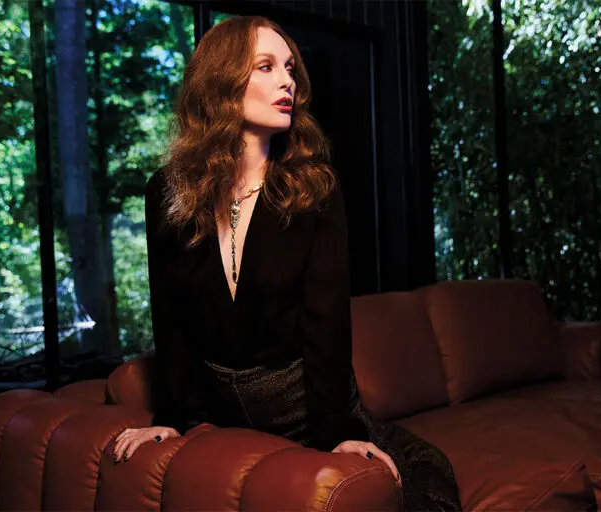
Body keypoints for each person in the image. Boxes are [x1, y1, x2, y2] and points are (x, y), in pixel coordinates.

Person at [112, 15, 461, 511]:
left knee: (425, 472)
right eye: (266, 66)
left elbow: (327, 324)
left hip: (305, 405)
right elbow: (169, 317)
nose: (287, 82)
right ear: (223, 80)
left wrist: (338, 433)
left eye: (291, 69)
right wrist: (169, 418)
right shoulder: (167, 192)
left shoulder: (313, 189)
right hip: (220, 406)